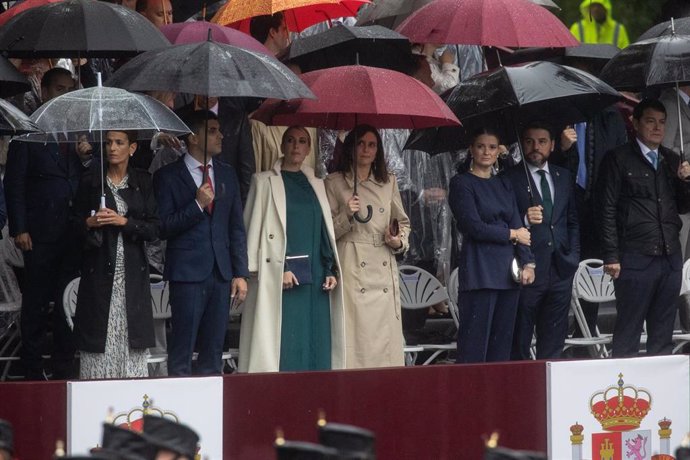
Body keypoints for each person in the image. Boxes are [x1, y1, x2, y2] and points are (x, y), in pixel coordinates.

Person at [240, 127, 345, 372]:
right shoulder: (263, 181)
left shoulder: (317, 184)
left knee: (316, 340)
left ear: (309, 149)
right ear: (282, 146)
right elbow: (252, 228)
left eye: (302, 141)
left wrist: (329, 268)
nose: (296, 146)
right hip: (281, 275)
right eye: (290, 140)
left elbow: (323, 230)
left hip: (316, 275)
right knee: (285, 341)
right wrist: (282, 268)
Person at [153, 110, 249, 376]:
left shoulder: (227, 174)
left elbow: (236, 227)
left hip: (221, 272)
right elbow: (162, 227)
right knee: (182, 350)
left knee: (214, 351)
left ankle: (208, 411)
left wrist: (240, 272)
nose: (221, 135)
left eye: (219, 129)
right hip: (187, 273)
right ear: (193, 138)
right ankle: (177, 409)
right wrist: (196, 205)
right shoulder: (167, 176)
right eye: (213, 130)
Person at [4, 67, 81, 380]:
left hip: (73, 231)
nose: (64, 94)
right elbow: (14, 184)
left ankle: (63, 365)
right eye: (59, 88)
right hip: (39, 233)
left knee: (67, 301)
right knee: (36, 301)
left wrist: (86, 157)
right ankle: (33, 367)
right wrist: (20, 227)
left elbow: (83, 176)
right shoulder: (27, 130)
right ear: (45, 91)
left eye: (69, 88)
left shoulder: (77, 130)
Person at [597, 98, 690, 357]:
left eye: (662, 122)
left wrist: (685, 181)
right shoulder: (617, 159)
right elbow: (605, 208)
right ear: (635, 123)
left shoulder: (672, 159)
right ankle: (623, 392)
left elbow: (683, 207)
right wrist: (611, 255)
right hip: (634, 257)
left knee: (663, 333)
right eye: (650, 121)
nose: (657, 128)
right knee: (629, 329)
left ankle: (658, 393)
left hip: (669, 255)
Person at [72, 130, 158, 379]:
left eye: (119, 143)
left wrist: (124, 221)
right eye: (109, 142)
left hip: (132, 276)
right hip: (99, 275)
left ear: (132, 148)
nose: (112, 148)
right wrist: (89, 222)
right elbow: (71, 225)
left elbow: (154, 228)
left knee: (132, 344)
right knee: (98, 344)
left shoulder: (143, 181)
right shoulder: (91, 181)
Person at [324, 124, 410, 368]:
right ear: (350, 147)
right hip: (351, 262)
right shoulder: (333, 182)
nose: (366, 150)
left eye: (372, 145)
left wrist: (398, 240)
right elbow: (326, 231)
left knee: (382, 343)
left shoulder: (388, 182)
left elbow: (403, 222)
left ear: (378, 150)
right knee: (355, 338)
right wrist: (346, 214)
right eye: (360, 143)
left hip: (381, 264)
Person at [448, 128, 534, 363]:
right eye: (481, 146)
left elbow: (518, 224)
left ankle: (497, 397)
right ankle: (469, 397)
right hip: (479, 269)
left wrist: (528, 262)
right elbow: (472, 226)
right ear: (471, 150)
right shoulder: (461, 183)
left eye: (492, 147)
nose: (486, 152)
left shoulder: (504, 183)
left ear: (499, 151)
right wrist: (511, 234)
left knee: (502, 346)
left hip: (508, 272)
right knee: (474, 347)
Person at [505, 122, 580, 360]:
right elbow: (503, 222)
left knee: (554, 343)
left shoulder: (564, 176)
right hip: (527, 271)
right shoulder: (509, 178)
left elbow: (572, 221)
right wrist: (525, 219)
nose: (535, 147)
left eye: (542, 141)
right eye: (529, 141)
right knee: (520, 340)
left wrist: (573, 256)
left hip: (560, 269)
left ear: (553, 145)